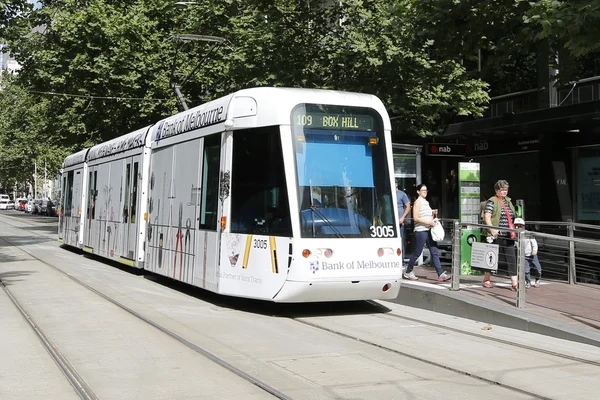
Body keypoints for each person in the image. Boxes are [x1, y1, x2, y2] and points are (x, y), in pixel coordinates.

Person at [403, 184, 450, 282]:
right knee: (417, 252)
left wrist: (432, 213)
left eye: (426, 190)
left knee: (434, 251)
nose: (425, 192)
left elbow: (425, 215)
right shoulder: (418, 202)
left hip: (428, 230)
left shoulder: (426, 202)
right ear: (418, 192)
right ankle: (408, 271)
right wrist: (428, 222)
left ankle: (440, 273)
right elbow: (415, 217)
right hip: (421, 230)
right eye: (423, 190)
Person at [483, 180, 518, 290]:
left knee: (511, 258)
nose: (504, 192)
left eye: (506, 190)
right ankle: (487, 278)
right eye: (502, 190)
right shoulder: (492, 201)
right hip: (496, 234)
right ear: (497, 191)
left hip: (509, 234)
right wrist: (492, 229)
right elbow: (487, 216)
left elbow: (513, 215)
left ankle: (514, 283)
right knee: (492, 256)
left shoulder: (509, 202)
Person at [514, 218, 542, 288]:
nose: (519, 227)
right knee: (526, 269)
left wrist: (534, 250)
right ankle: (528, 282)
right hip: (524, 255)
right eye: (517, 226)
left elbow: (534, 243)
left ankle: (537, 279)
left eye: (520, 226)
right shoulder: (515, 235)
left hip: (532, 254)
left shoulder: (528, 234)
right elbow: (516, 244)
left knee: (537, 268)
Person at [396, 182, 411, 257]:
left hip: (399, 222)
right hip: (389, 222)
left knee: (400, 241)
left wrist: (402, 217)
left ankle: (401, 261)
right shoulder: (387, 193)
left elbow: (408, 206)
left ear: (396, 184)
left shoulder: (402, 194)